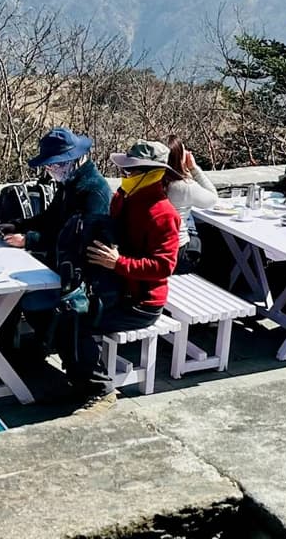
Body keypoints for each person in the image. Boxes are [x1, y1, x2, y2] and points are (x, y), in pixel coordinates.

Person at [66, 139, 182, 414]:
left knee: (75, 323)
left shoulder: (164, 214)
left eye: (131, 171)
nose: (125, 176)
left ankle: (101, 391)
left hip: (141, 303)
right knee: (63, 312)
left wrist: (119, 263)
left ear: (152, 173)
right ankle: (80, 379)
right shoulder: (123, 198)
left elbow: (164, 266)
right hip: (113, 289)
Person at [0, 127, 115, 357]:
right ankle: (16, 349)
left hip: (82, 277)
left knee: (20, 297)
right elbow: (50, 219)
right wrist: (18, 225)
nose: (53, 170)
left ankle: (24, 350)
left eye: (58, 164)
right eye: (50, 165)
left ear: (77, 160)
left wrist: (29, 240)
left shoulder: (93, 192)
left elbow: (80, 242)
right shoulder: (70, 184)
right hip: (60, 264)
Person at [163, 137, 216, 274]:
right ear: (179, 157)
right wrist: (193, 168)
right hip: (178, 255)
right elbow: (212, 198)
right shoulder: (183, 186)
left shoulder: (151, 184)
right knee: (216, 242)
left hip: (152, 249)